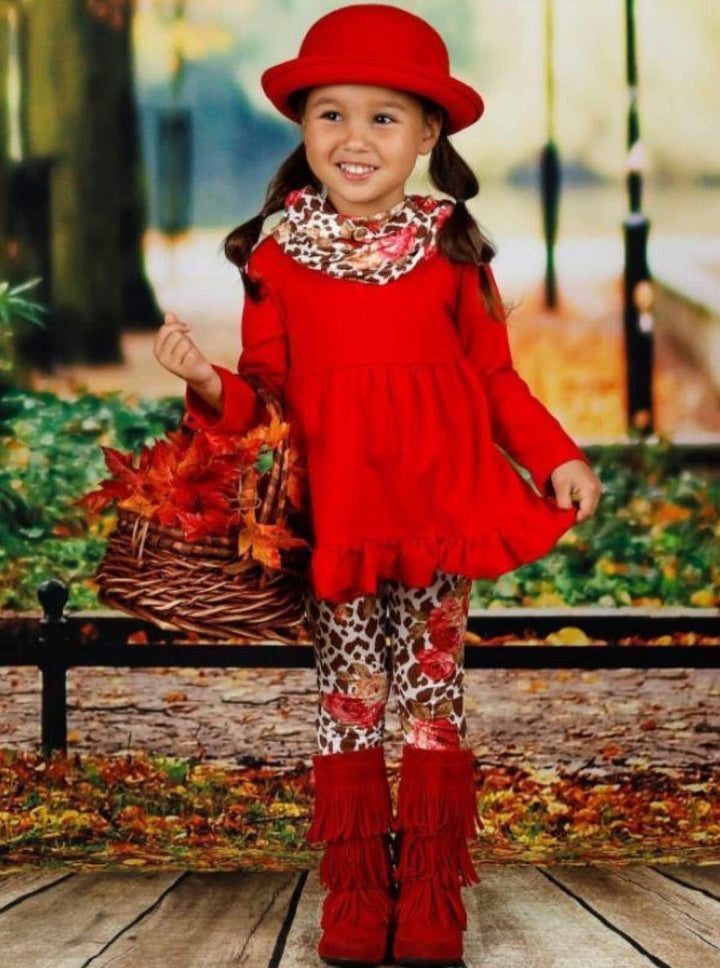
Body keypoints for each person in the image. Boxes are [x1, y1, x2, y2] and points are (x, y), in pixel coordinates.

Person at [153, 4, 603, 966]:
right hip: (341, 519)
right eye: (331, 114)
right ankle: (357, 893)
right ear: (303, 127)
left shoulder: (452, 246)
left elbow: (496, 379)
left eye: (383, 117)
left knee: (432, 698)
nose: (354, 138)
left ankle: (432, 894)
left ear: (428, 133)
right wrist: (208, 386)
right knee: (350, 698)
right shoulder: (277, 255)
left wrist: (555, 454)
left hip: (439, 511)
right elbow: (267, 399)